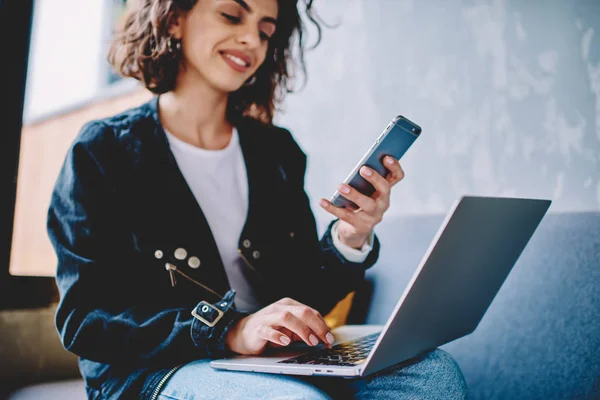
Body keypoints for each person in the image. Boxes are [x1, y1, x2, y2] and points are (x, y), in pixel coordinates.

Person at [47, 0, 468, 399]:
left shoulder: (276, 152)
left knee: (433, 374)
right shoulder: (103, 151)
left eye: (266, 31)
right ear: (174, 18)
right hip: (157, 371)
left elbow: (304, 294)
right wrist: (229, 331)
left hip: (273, 361)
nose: (252, 40)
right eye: (232, 15)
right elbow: (85, 321)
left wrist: (349, 236)